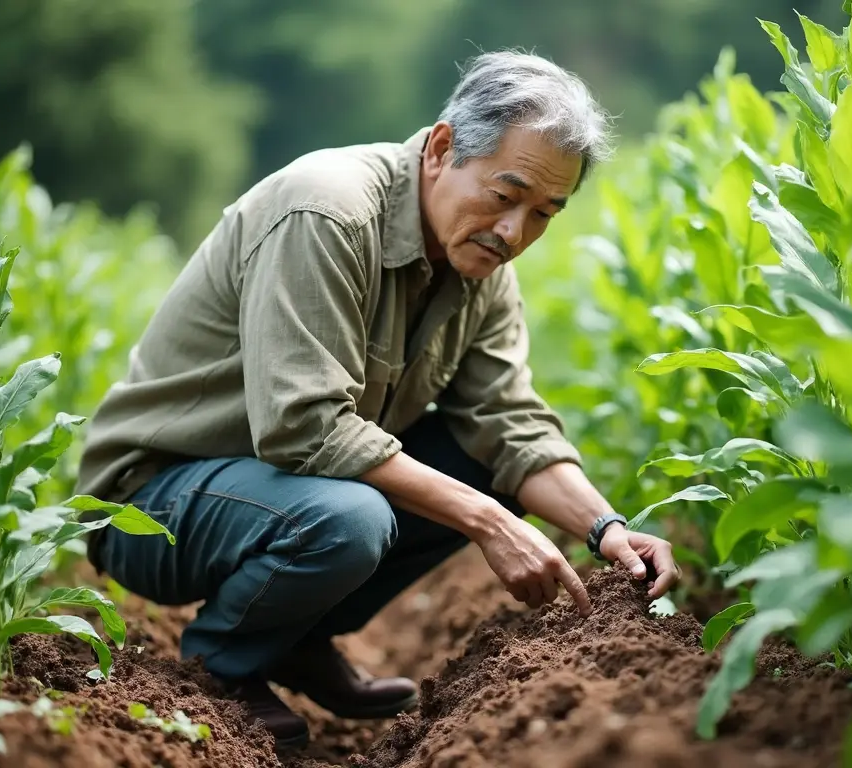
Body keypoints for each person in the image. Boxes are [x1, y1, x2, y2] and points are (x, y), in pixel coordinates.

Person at [73, 49, 680, 749]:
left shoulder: (482, 269)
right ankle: (221, 666)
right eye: (505, 195)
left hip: (279, 493)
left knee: (482, 467)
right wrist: (488, 523)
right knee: (352, 518)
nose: (515, 232)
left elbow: (509, 424)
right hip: (153, 504)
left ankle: (295, 639)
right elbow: (304, 428)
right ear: (443, 149)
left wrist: (607, 530)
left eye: (544, 212)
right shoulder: (325, 213)